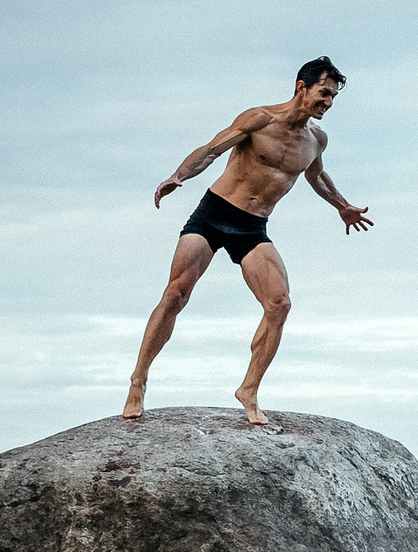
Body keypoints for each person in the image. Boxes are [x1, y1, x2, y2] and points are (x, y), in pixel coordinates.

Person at [124, 59, 371, 426]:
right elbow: (211, 150)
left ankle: (249, 389)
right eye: (324, 93)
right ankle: (138, 381)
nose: (329, 102)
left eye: (333, 96)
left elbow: (316, 177)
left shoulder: (316, 139)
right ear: (301, 87)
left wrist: (343, 206)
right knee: (175, 294)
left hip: (252, 227)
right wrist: (179, 175)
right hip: (214, 213)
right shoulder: (259, 119)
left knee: (279, 304)